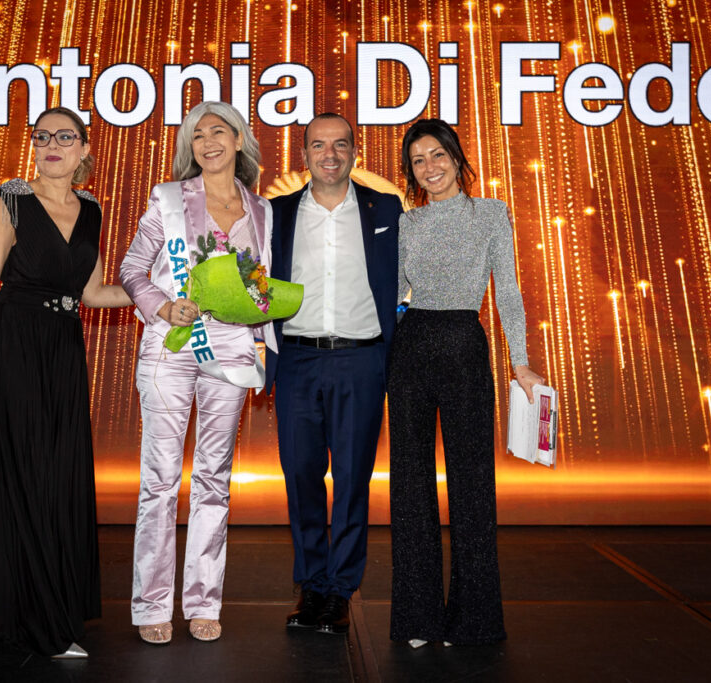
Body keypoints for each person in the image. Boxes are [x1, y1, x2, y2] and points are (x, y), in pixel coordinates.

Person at [0, 107, 132, 658]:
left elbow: (93, 293)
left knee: (55, 473)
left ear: (84, 149)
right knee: (21, 473)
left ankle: (38, 609)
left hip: (63, 351)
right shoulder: (12, 200)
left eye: (65, 136)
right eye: (42, 135)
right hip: (12, 345)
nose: (52, 144)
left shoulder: (93, 209)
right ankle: (36, 620)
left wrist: (160, 295)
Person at [119, 101, 276, 645]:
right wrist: (164, 307)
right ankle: (151, 604)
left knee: (214, 479)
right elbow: (132, 269)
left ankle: (204, 600)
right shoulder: (168, 198)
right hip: (171, 346)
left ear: (238, 140)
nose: (208, 141)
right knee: (160, 481)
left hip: (229, 352)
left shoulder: (262, 209)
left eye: (218, 131)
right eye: (197, 134)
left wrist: (261, 307)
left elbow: (260, 283)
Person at [388, 118, 544, 648]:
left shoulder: (491, 213)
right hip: (410, 349)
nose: (429, 167)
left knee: (473, 484)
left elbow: (508, 292)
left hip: (464, 346)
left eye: (437, 155)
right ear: (410, 171)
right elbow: (396, 294)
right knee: (410, 484)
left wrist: (520, 362)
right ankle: (418, 618)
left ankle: (474, 620)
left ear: (456, 158)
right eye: (418, 161)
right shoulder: (407, 223)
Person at [267, 113, 403, 635]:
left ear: (355, 151)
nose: (330, 154)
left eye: (340, 144)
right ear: (304, 154)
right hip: (297, 359)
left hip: (361, 361)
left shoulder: (385, 208)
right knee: (300, 476)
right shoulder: (276, 213)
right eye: (319, 145)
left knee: (351, 479)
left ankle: (341, 590)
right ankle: (312, 585)